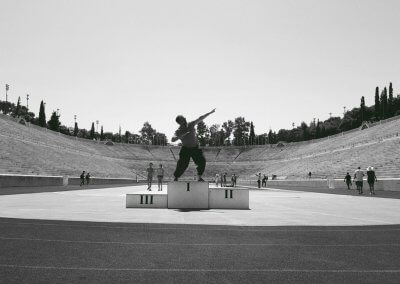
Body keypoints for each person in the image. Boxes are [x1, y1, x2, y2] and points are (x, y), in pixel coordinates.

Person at [172, 109, 216, 181]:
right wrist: (180, 136)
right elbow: (172, 139)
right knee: (182, 164)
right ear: (180, 123)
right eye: (182, 120)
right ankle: (176, 177)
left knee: (202, 161)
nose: (185, 120)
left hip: (195, 148)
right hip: (185, 149)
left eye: (184, 118)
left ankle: (199, 176)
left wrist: (210, 112)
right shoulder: (178, 131)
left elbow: (200, 118)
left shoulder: (191, 124)